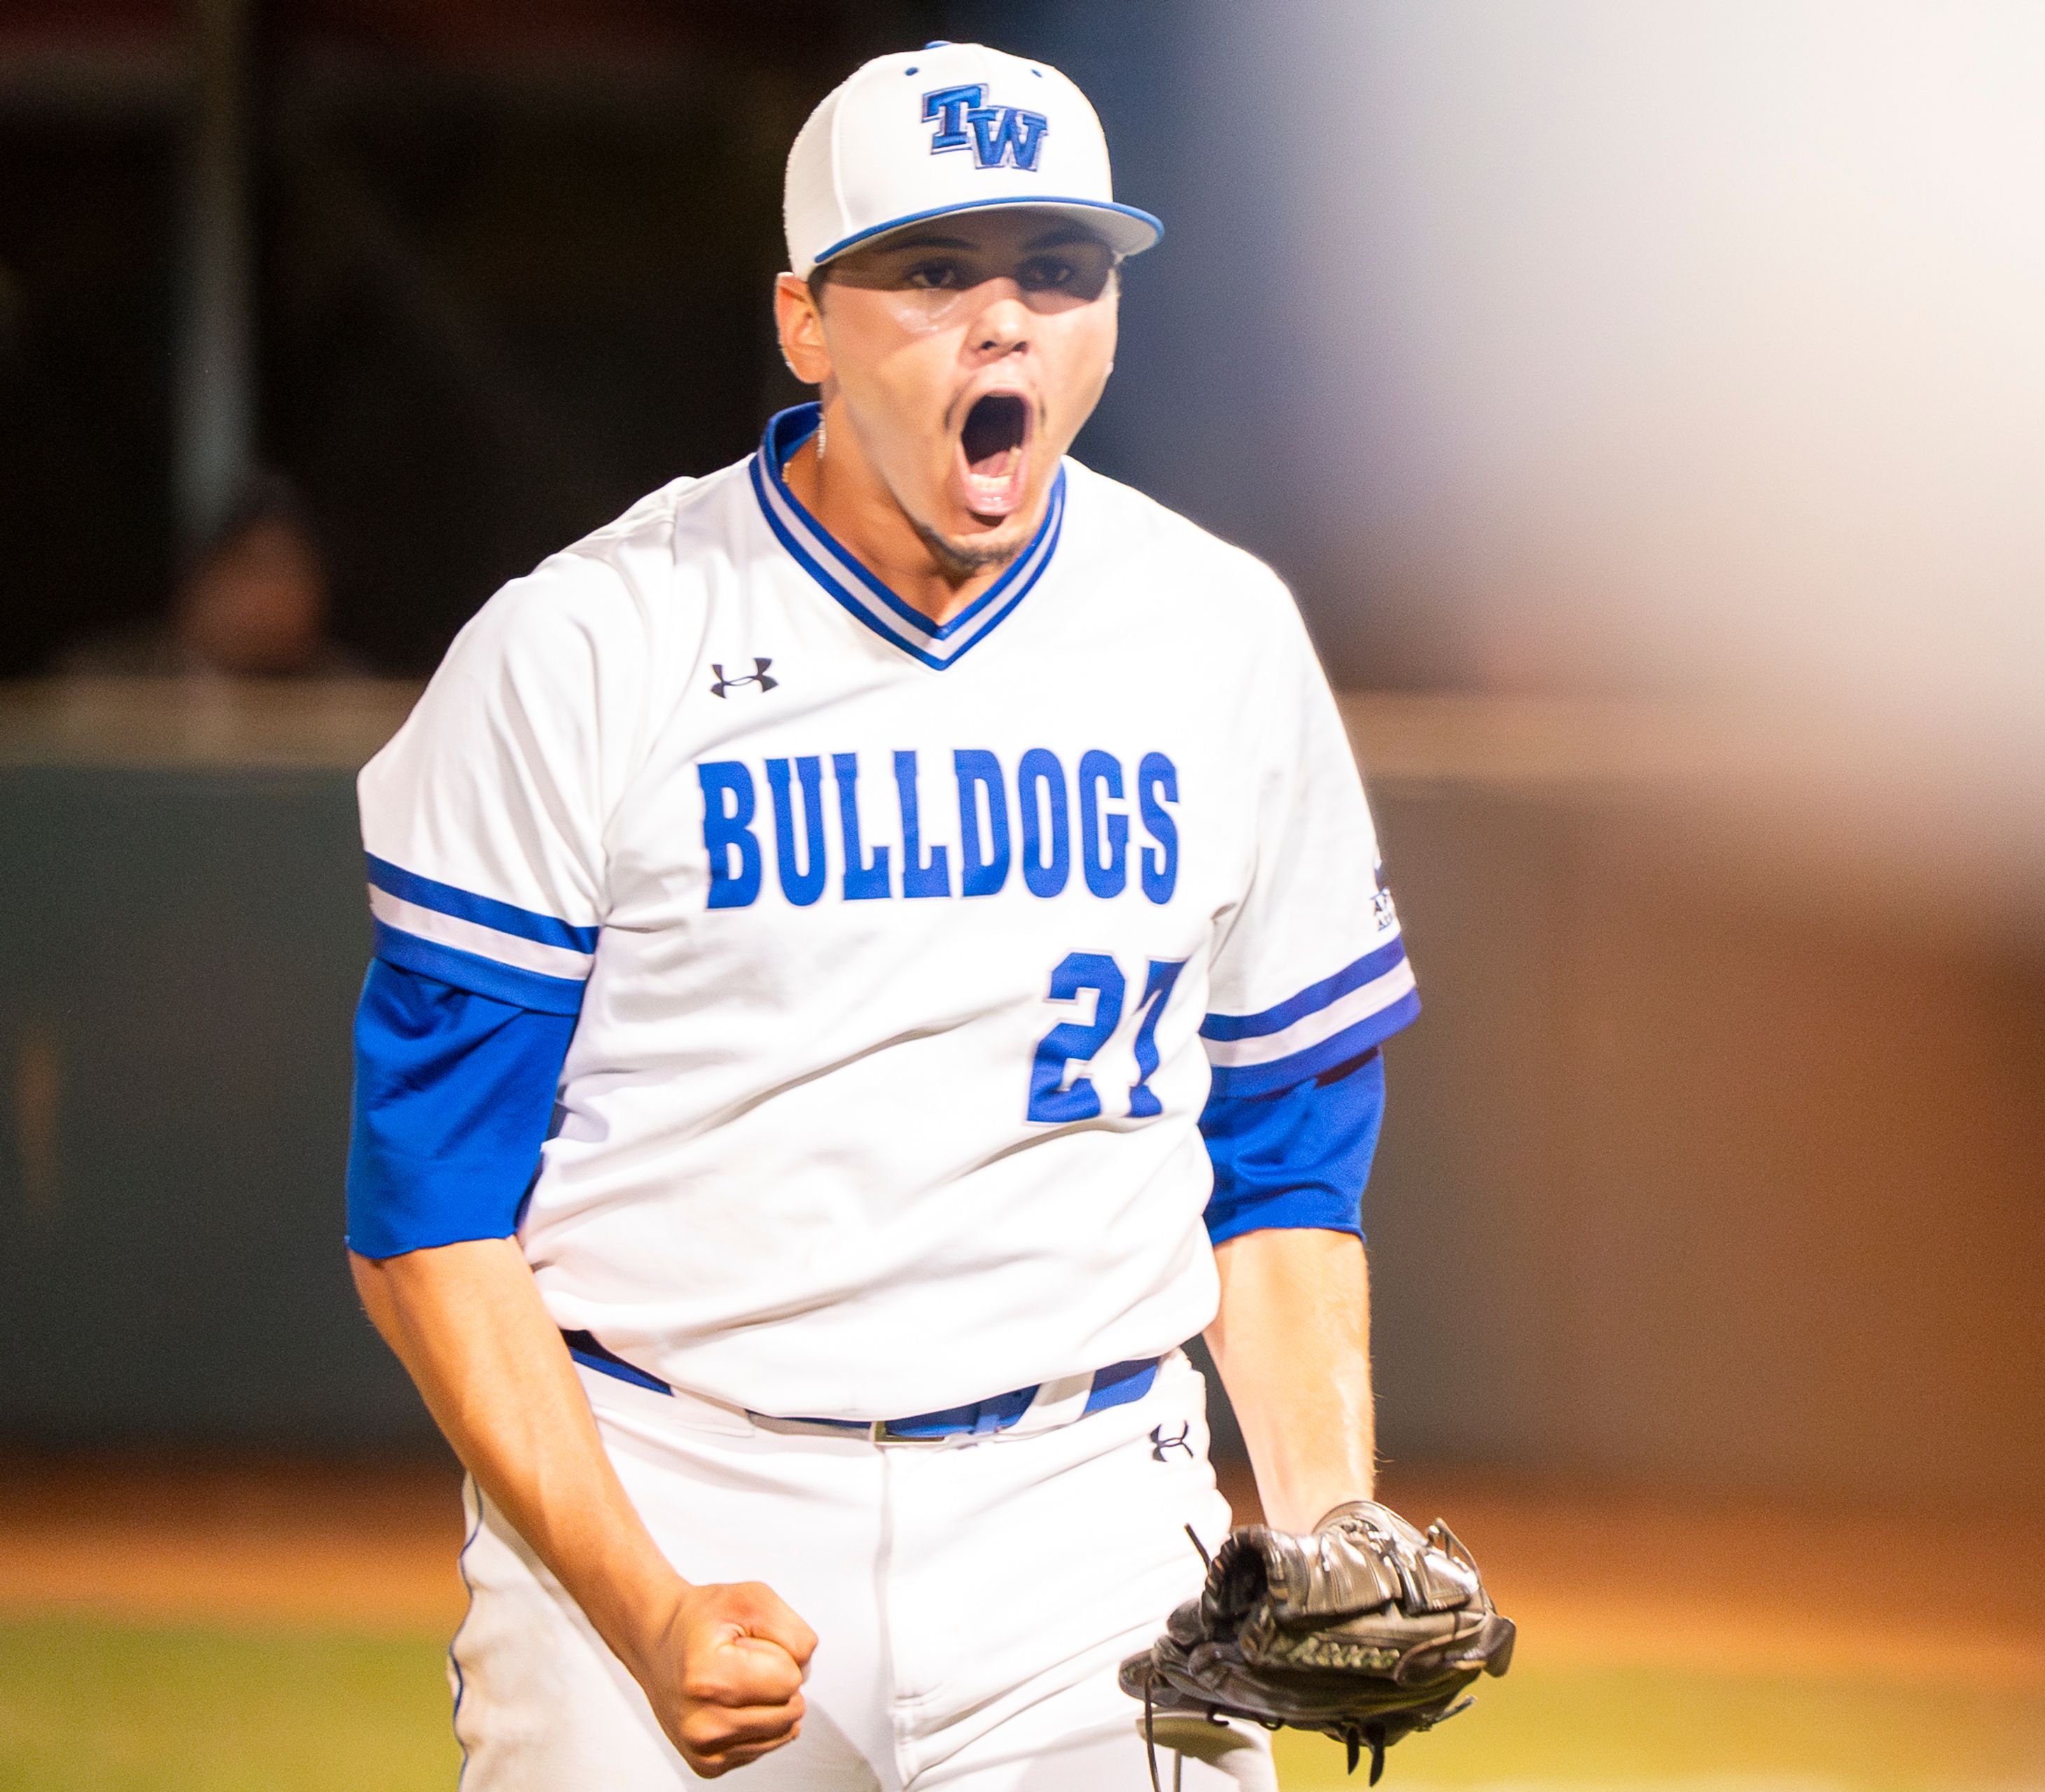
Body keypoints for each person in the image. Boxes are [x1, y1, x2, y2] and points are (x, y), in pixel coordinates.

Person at [344, 43, 1416, 1788]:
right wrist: (638, 1601)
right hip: (672, 1469)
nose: (1005, 323)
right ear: (804, 322)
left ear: (1112, 320)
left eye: (1057, 273)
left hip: (1090, 1517)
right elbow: (426, 1208)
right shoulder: (594, 643)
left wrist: (1327, 1524)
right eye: (932, 271)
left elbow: (1283, 1156)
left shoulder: (1214, 635)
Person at [56, 470, 365, 678]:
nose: (275, 594)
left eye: (293, 573)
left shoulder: (351, 702)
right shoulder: (109, 686)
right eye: (254, 568)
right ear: (200, 581)